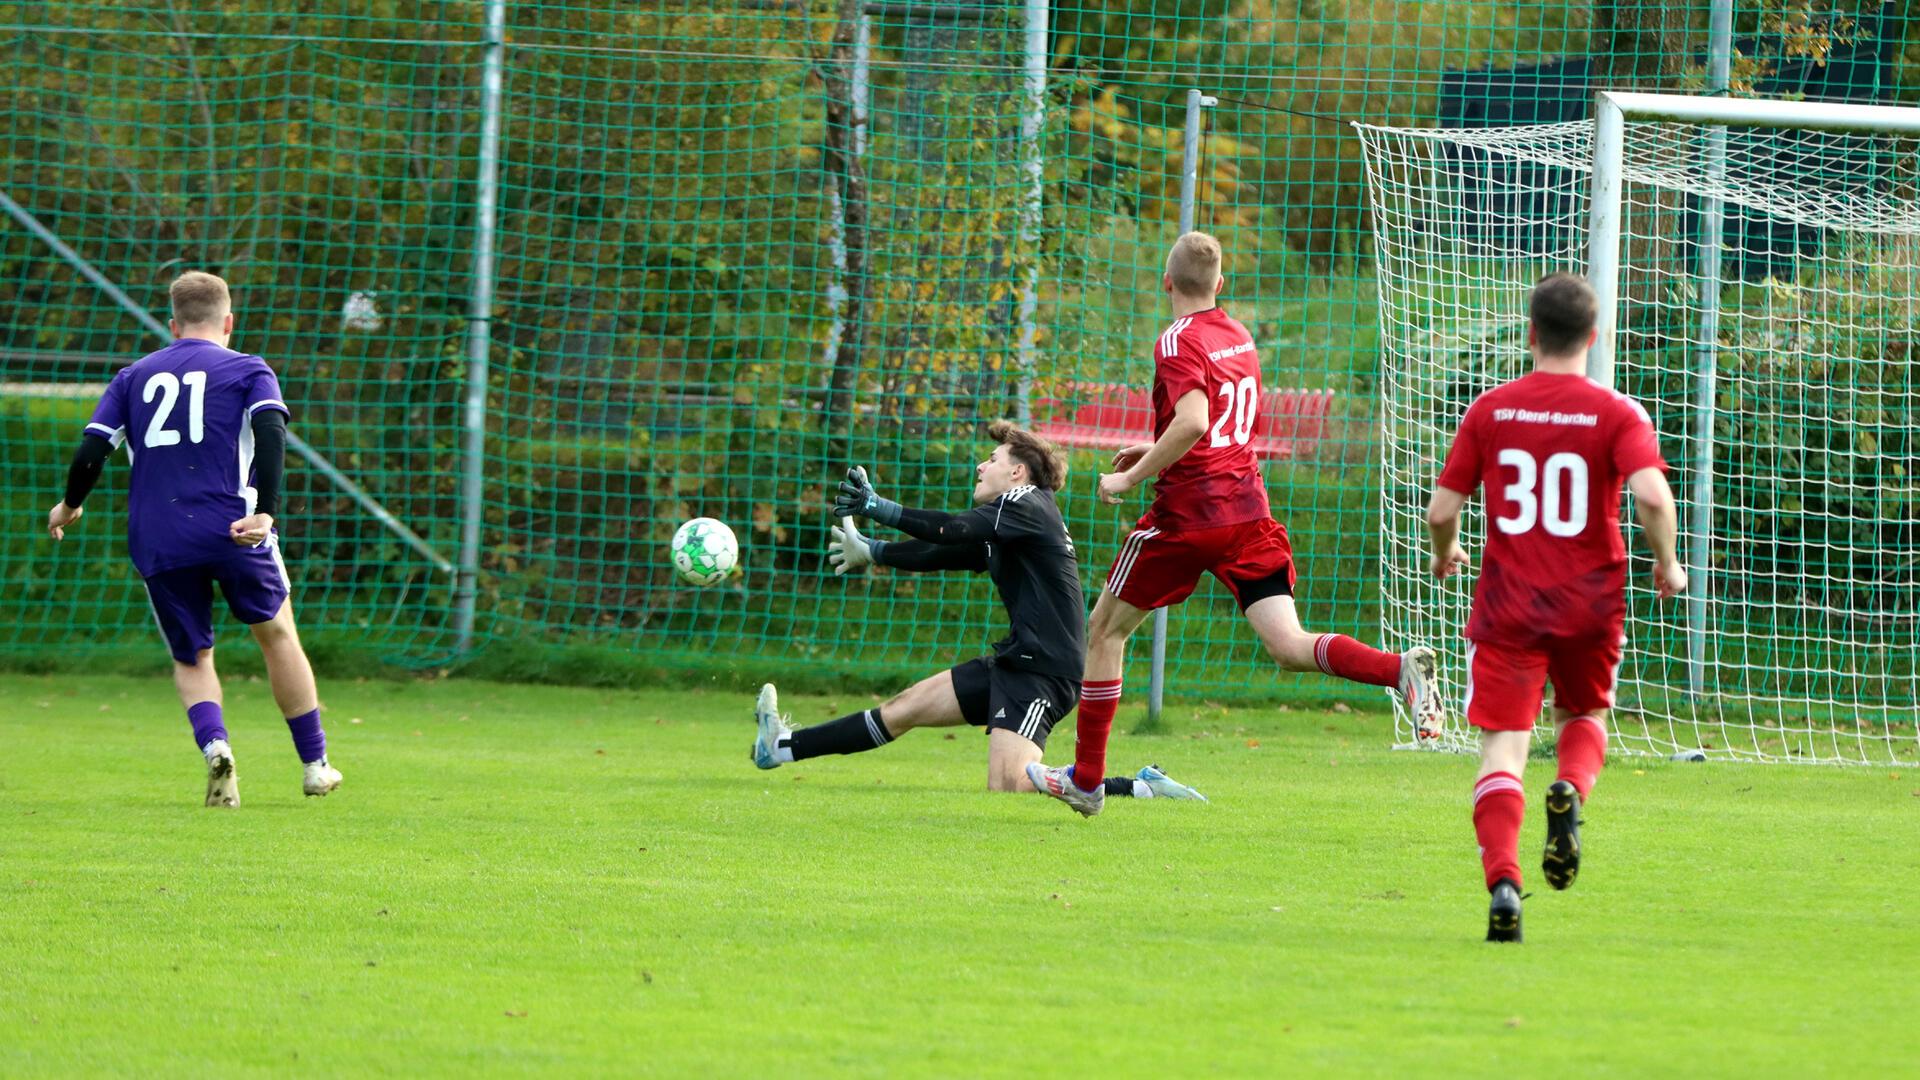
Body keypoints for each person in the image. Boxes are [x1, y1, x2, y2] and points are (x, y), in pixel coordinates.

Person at [1030, 231, 1443, 816]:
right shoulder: (1237, 335)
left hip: (1188, 515)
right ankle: (1398, 670)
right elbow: (1213, 425)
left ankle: (1088, 782)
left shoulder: (1177, 339)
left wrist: (1131, 477)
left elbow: (1196, 422)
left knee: (1104, 631)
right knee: (1290, 645)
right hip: (1247, 513)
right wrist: (1150, 451)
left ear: (1166, 281)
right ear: (1219, 285)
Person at [1424, 271, 1685, 943]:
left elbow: (1442, 508)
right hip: (1591, 604)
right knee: (1585, 714)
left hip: (1509, 606)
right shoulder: (1617, 412)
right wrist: (1667, 562)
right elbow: (1654, 497)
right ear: (1594, 338)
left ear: (1532, 332)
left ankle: (1506, 885)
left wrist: (1445, 550)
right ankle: (1570, 790)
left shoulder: (1492, 409)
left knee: (1503, 750)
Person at [751, 421, 1205, 802]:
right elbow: (943, 552)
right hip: (1016, 661)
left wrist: (877, 507)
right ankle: (781, 747)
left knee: (1007, 784)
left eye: (992, 458)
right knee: (903, 708)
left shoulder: (1026, 503)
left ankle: (1137, 787)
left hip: (1043, 672)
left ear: (1017, 473)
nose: (981, 465)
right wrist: (873, 550)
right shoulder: (1010, 519)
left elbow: (950, 529)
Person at [47, 271, 341, 807]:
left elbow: (92, 452)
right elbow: (272, 434)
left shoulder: (133, 375)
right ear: (228, 321)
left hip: (161, 537)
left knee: (192, 658)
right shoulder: (250, 369)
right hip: (235, 526)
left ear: (173, 325)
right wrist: (267, 512)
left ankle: (216, 747)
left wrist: (69, 505)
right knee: (276, 635)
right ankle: (315, 764)